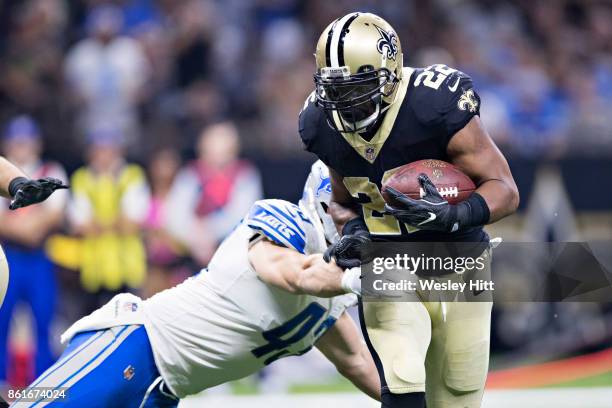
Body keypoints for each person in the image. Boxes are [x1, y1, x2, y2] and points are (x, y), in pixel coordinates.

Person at [10, 162, 376, 407]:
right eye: (354, 206)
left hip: (165, 391)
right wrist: (381, 272)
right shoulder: (287, 222)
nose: (362, 221)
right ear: (325, 199)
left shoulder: (333, 300)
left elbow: (359, 362)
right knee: (32, 404)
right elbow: (296, 275)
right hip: (131, 345)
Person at [299, 13, 519, 408]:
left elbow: (505, 190)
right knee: (402, 376)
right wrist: (353, 234)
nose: (345, 103)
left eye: (359, 88)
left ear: (391, 72)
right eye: (336, 90)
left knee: (457, 393)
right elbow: (343, 202)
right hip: (388, 262)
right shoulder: (320, 122)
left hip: (459, 263)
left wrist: (453, 215)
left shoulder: (434, 102)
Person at [0, 115, 68, 385]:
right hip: (9, 256)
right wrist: (27, 227)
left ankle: (43, 384)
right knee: (2, 320)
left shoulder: (50, 169)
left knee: (44, 319)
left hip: (39, 256)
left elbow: (56, 215)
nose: (22, 146)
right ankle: (3, 383)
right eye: (17, 141)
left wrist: (24, 227)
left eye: (26, 141)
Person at [165, 122, 262, 266]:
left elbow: (244, 215)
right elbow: (175, 214)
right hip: (190, 253)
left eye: (224, 153)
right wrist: (195, 237)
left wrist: (210, 232)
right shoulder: (191, 174)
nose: (217, 159)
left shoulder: (245, 175)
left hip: (232, 254)